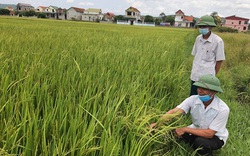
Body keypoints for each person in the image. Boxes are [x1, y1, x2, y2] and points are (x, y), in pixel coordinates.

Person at [150, 74, 230, 156]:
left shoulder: (222, 109)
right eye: (199, 87)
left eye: (204, 89)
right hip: (196, 130)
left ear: (214, 92)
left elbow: (210, 134)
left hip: (215, 137)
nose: (200, 91)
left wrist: (184, 129)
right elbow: (174, 112)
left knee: (200, 142)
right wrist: (158, 123)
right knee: (171, 132)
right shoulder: (193, 99)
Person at [190, 15, 225, 95]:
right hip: (195, 75)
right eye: (200, 26)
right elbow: (196, 55)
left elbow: (219, 61)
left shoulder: (217, 41)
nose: (202, 28)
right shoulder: (198, 39)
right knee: (193, 98)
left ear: (210, 27)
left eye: (204, 26)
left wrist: (213, 76)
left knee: (204, 99)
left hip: (207, 80)